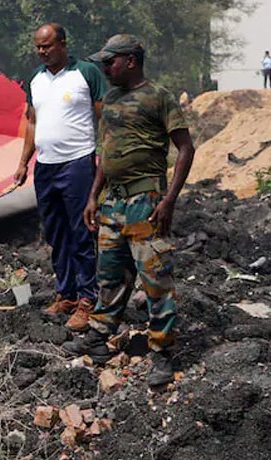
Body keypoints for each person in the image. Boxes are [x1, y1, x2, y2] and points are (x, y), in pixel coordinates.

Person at [63, 34, 195, 387]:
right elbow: (106, 153)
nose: (105, 69)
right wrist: (93, 196)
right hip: (113, 202)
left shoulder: (158, 97)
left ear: (131, 61)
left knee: (155, 278)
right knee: (110, 273)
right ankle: (98, 337)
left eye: (110, 62)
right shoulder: (110, 99)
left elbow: (185, 148)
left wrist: (169, 200)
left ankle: (162, 351)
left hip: (146, 202)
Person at [12, 23, 107, 331]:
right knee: (55, 233)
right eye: (38, 47)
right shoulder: (36, 79)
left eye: (47, 46)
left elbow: (103, 117)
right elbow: (31, 122)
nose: (42, 51)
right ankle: (66, 294)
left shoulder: (86, 73)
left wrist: (107, 157)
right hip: (46, 165)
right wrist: (23, 162)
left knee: (81, 231)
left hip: (77, 162)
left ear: (63, 44)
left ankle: (87, 299)